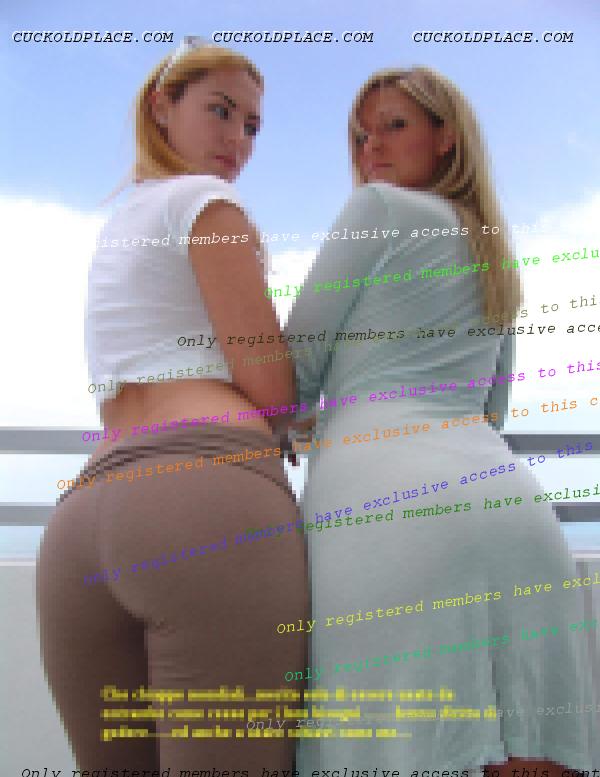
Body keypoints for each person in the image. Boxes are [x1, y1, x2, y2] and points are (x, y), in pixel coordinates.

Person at [284, 67, 598, 775]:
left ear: (446, 135)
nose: (371, 146)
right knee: (532, 752)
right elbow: (493, 409)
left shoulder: (378, 209)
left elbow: (294, 369)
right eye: (361, 135)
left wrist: (298, 422)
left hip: (387, 514)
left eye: (393, 125)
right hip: (513, 513)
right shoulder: (492, 248)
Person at [36, 38, 308, 774]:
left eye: (252, 125)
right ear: (162, 106)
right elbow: (271, 387)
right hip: (203, 498)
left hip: (84, 521)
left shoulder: (122, 223)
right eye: (220, 111)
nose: (237, 139)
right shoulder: (207, 203)